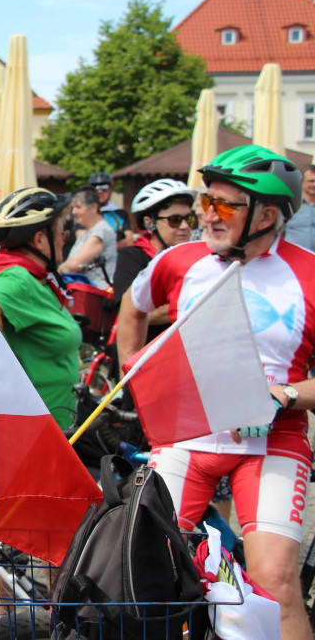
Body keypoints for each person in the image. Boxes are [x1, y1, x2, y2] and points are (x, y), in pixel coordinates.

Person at [117, 145, 313, 640]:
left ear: (267, 214)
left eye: (223, 206)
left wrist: (284, 395)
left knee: (275, 583)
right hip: (187, 437)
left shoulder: (307, 273)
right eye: (207, 201)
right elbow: (132, 307)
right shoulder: (178, 261)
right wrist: (135, 371)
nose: (206, 215)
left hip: (271, 443)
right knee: (147, 573)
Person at [0, 188, 81, 428]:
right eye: (62, 233)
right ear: (40, 239)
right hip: (36, 428)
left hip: (56, 423)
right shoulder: (18, 278)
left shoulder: (38, 278)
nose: (65, 239)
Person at [110, 179, 197, 344]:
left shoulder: (195, 257)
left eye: (189, 219)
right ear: (149, 223)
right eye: (175, 220)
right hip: (145, 353)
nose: (185, 226)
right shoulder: (133, 256)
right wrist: (195, 300)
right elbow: (132, 313)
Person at [57, 187, 117, 287]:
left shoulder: (101, 231)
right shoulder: (86, 233)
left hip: (98, 294)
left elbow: (75, 265)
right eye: (73, 207)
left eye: (78, 207)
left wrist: (53, 274)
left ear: (94, 207)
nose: (74, 212)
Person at [88, 171, 133, 250]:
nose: (100, 191)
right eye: (96, 188)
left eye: (104, 188)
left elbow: (129, 241)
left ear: (110, 191)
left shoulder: (120, 213)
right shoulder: (85, 213)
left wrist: (100, 248)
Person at [283, 164, 315, 251]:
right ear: (302, 181)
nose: (314, 184)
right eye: (311, 181)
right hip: (293, 258)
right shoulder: (291, 205)